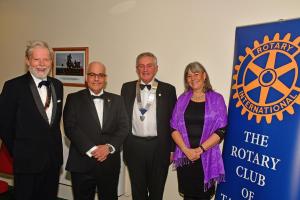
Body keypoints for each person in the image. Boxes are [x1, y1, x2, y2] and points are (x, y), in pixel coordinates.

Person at [0, 40, 64, 200]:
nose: (41, 64)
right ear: (27, 61)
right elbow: (4, 124)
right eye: (36, 59)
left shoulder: (58, 85)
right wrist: (18, 151)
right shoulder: (13, 86)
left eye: (46, 59)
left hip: (52, 161)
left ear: (51, 62)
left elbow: (53, 124)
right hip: (26, 162)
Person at [63, 61, 129, 200]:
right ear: (87, 77)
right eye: (92, 74)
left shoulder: (117, 100)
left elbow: (124, 127)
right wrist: (93, 149)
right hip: (82, 162)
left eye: (100, 75)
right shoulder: (73, 98)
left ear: (105, 79)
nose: (96, 79)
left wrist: (108, 147)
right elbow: (70, 127)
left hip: (109, 163)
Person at [121, 52, 177, 200]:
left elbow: (174, 122)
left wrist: (173, 149)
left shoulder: (168, 90)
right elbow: (121, 119)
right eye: (141, 66)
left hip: (159, 148)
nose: (145, 69)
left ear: (156, 68)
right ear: (136, 68)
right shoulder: (126, 88)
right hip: (134, 147)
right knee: (137, 191)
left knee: (156, 192)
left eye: (149, 66)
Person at [170, 62, 227, 200]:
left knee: (203, 196)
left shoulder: (217, 99)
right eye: (189, 76)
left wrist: (200, 150)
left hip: (206, 156)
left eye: (196, 74)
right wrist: (186, 150)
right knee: (188, 196)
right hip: (186, 157)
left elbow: (222, 130)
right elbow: (173, 127)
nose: (192, 78)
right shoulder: (182, 99)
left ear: (204, 75)